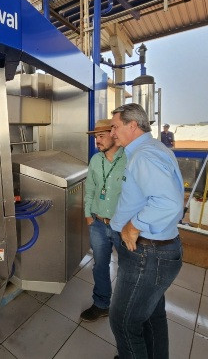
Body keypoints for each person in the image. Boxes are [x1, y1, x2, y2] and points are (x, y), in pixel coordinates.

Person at [109, 103, 184, 359]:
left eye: (115, 126)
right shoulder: (151, 149)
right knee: (152, 316)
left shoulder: (144, 156)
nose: (112, 132)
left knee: (124, 322)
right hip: (155, 251)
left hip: (147, 254)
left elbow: (169, 202)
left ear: (133, 125)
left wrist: (132, 225)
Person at [81, 119, 126, 322]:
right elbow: (90, 189)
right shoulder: (95, 160)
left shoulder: (129, 158)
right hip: (98, 223)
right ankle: (101, 304)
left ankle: (126, 308)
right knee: (100, 265)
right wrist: (88, 216)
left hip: (123, 226)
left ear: (114, 135)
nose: (97, 141)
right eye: (95, 137)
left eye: (101, 136)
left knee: (127, 269)